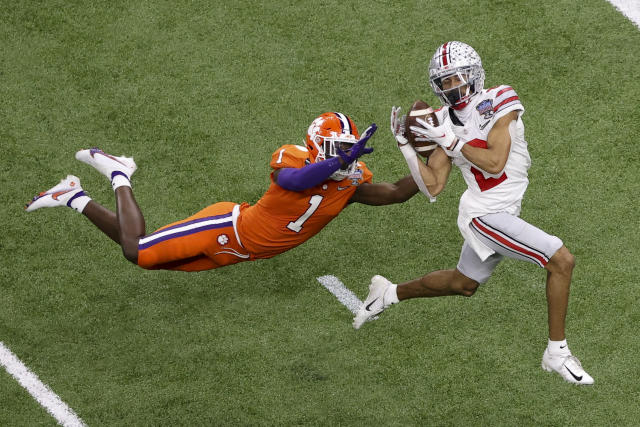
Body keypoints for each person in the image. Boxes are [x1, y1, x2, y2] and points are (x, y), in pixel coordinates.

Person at [352, 42, 594, 385]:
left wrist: (448, 141)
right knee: (561, 260)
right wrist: (408, 150)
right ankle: (557, 352)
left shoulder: (499, 99)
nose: (452, 87)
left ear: (474, 74)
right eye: (444, 82)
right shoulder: (440, 121)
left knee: (463, 283)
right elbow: (434, 186)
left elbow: (495, 162)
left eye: (457, 78)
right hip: (483, 214)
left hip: (503, 206)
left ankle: (388, 293)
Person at [26, 112, 420, 272]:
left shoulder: (350, 182)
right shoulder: (294, 159)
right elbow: (292, 183)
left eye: (349, 150)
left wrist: (441, 153)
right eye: (338, 151)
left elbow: (400, 192)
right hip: (228, 228)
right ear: (319, 149)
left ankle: (72, 195)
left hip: (242, 251)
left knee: (146, 255)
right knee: (138, 252)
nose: (347, 158)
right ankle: (118, 172)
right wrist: (335, 164)